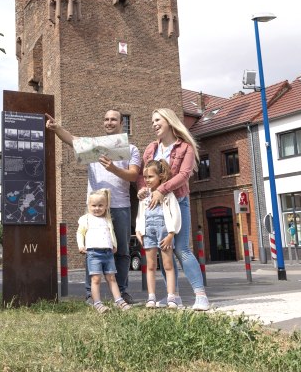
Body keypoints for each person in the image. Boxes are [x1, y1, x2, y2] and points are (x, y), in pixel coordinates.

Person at [46, 109, 141, 305]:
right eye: (106, 119)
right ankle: (91, 295)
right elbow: (71, 139)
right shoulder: (94, 146)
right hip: (96, 208)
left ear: (121, 123)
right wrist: (57, 128)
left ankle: (122, 293)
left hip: (120, 205)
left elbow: (133, 176)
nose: (109, 122)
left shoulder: (131, 149)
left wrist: (113, 168)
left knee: (122, 251)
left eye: (113, 119)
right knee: (93, 250)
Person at [137, 108, 210, 311]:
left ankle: (201, 295)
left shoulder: (184, 148)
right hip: (155, 207)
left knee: (181, 249)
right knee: (164, 250)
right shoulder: (151, 149)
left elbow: (184, 174)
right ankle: (173, 296)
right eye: (152, 121)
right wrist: (144, 190)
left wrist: (161, 189)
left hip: (178, 202)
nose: (154, 124)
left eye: (157, 120)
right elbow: (144, 176)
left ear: (169, 121)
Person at [77, 189, 132, 313]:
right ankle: (97, 303)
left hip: (108, 254)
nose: (97, 208)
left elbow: (111, 233)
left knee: (112, 278)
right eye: (94, 205)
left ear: (106, 206)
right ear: (88, 205)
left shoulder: (107, 219)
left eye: (100, 205)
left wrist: (114, 245)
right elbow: (80, 233)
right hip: (94, 254)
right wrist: (81, 245)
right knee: (95, 279)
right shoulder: (85, 219)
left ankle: (119, 301)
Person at [135, 159, 181, 309]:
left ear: (160, 176)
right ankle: (151, 297)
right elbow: (140, 215)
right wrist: (138, 230)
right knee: (150, 265)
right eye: (145, 177)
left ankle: (172, 297)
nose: (147, 180)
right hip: (148, 232)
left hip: (164, 233)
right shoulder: (144, 196)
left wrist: (171, 234)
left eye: (150, 177)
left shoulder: (168, 195)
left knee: (168, 265)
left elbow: (175, 214)